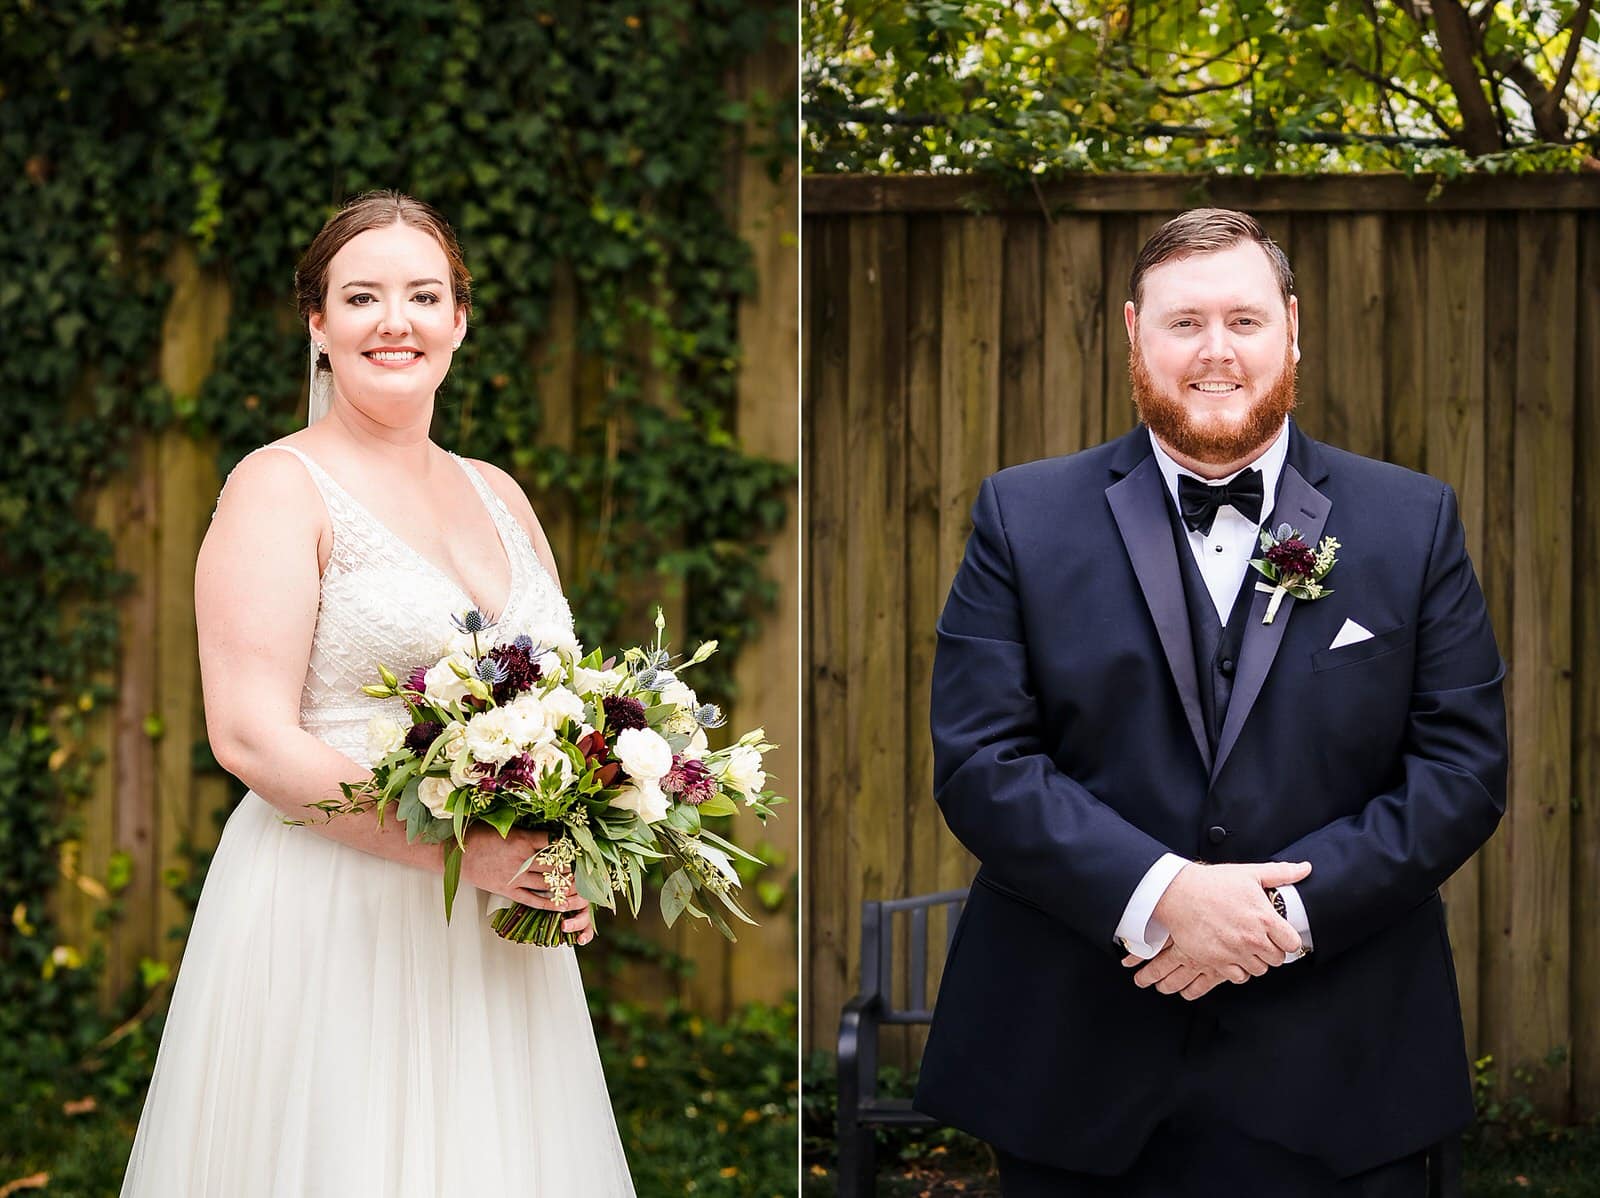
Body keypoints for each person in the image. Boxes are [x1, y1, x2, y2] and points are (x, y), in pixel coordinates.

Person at [914, 208, 1507, 1196]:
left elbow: (1461, 768)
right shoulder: (1020, 516)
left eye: (1243, 320)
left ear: (1292, 329)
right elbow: (981, 760)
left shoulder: (1412, 521)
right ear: (1132, 333)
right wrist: (1161, 896)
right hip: (1075, 1068)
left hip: (1343, 1067)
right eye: (1184, 322)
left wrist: (1283, 914)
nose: (1215, 351)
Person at [121, 191, 636, 1196]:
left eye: (422, 294)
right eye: (361, 296)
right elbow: (250, 737)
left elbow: (559, 711)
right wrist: (465, 850)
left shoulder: (501, 492)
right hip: (334, 915)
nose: (393, 320)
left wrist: (560, 857)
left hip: (493, 936)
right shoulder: (277, 487)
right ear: (318, 323)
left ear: (458, 319)